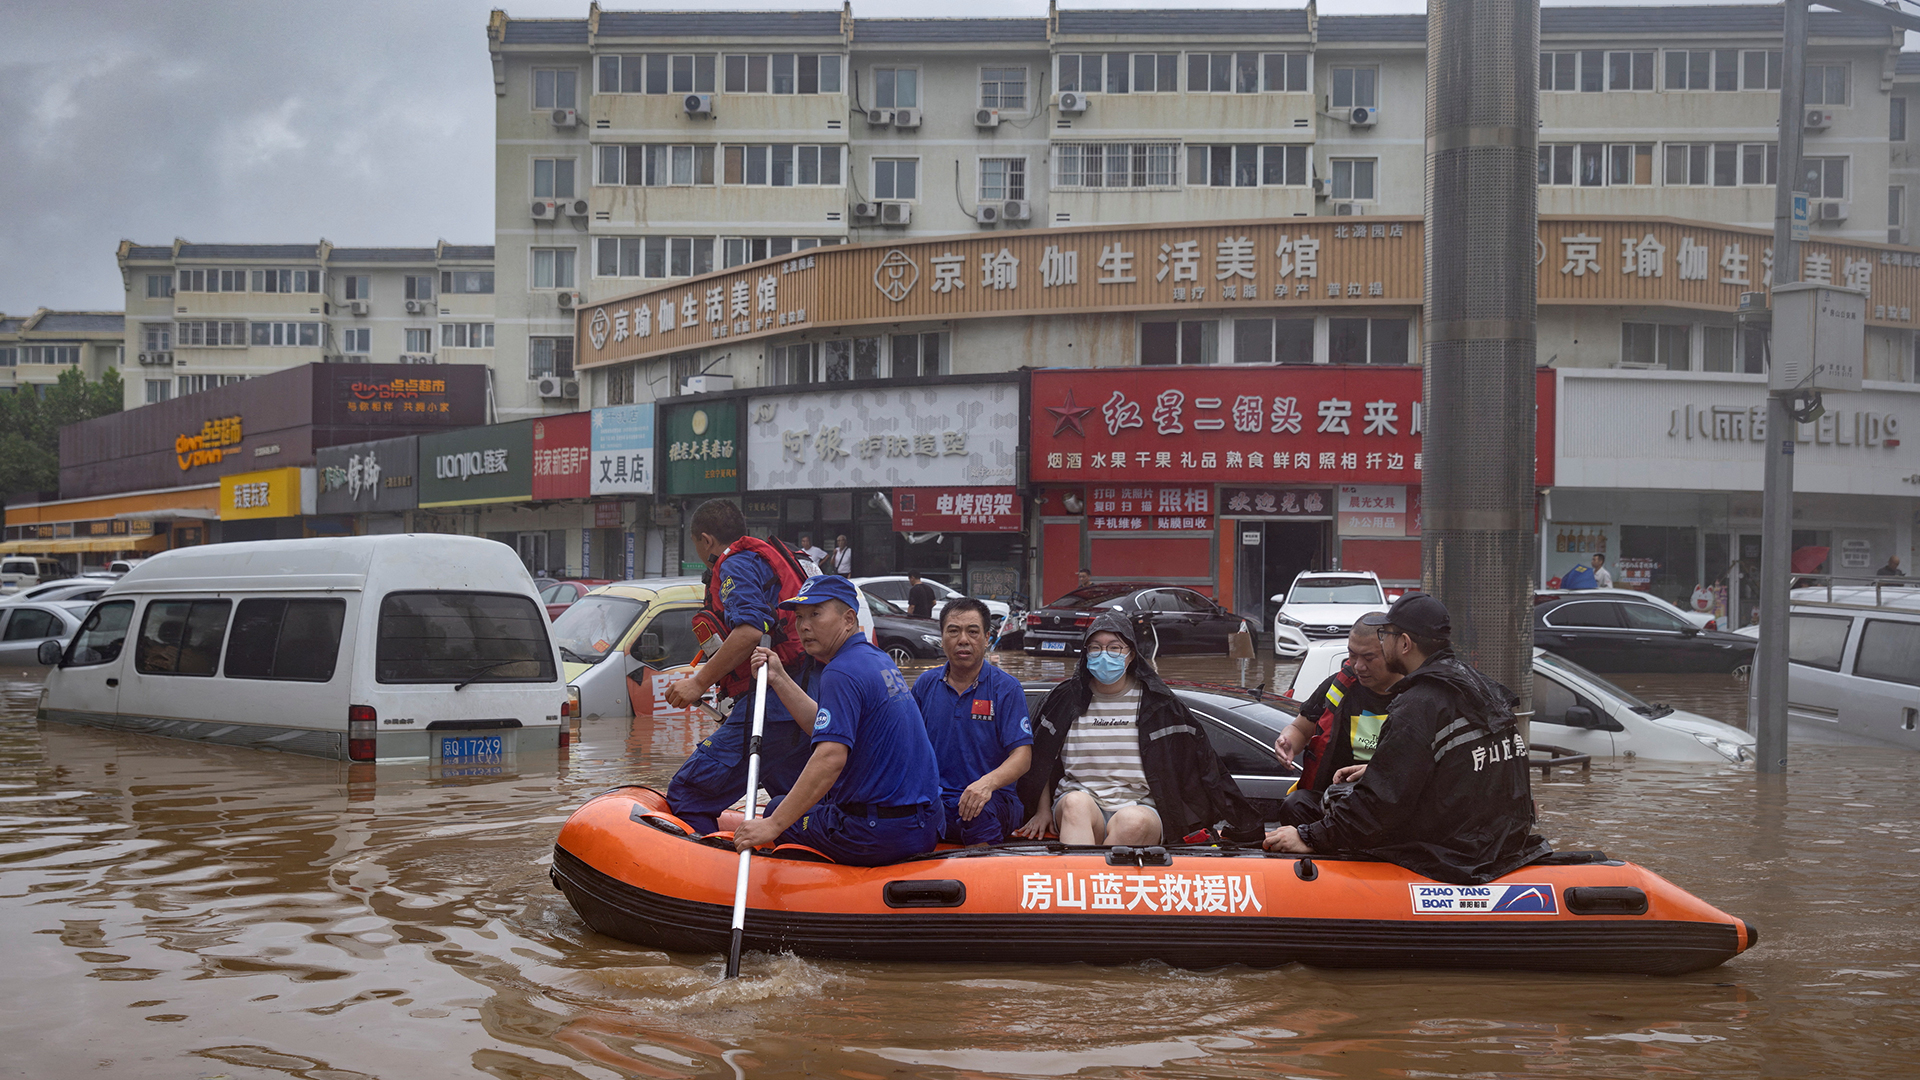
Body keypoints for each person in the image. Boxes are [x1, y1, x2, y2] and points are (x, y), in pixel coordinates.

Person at [1264, 593, 1551, 885]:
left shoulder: (1418, 703)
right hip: (1493, 843)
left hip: (1451, 853)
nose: (1361, 663)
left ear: (1403, 643)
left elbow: (1379, 805)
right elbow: (1462, 767)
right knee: (1309, 801)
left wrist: (1308, 836)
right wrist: (1379, 769)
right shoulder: (1479, 686)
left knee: (1334, 802)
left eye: (1384, 636)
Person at [736, 575, 943, 865]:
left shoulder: (840, 672)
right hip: (924, 824)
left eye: (816, 614)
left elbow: (830, 758)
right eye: (800, 617)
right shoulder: (875, 657)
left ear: (848, 619)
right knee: (797, 806)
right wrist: (779, 678)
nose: (804, 626)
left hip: (877, 835)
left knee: (775, 810)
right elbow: (822, 728)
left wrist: (772, 825)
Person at [1014, 612, 1263, 846]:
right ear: (1086, 653)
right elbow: (1040, 757)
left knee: (1132, 822)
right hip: (1078, 802)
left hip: (1143, 806)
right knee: (1074, 803)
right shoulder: (1064, 699)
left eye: (1114, 648)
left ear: (1131, 655)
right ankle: (1086, 885)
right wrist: (1042, 809)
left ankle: (1100, 884)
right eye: (1096, 648)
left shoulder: (1158, 705)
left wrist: (1243, 824)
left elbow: (1204, 764)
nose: (1104, 655)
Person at [664, 499, 815, 835]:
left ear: (705, 540)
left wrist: (698, 683)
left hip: (771, 703)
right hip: (801, 699)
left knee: (689, 792)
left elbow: (750, 630)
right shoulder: (761, 560)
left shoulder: (735, 565)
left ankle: (700, 881)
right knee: (795, 799)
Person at [912, 597, 1033, 845]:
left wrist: (986, 784)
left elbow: (1023, 757)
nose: (963, 640)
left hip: (993, 800)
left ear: (987, 638)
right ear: (942, 637)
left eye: (972, 631)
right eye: (953, 631)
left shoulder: (1006, 689)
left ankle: (984, 880)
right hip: (938, 800)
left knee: (977, 813)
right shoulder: (925, 685)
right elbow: (907, 747)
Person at [1271, 618, 1396, 826]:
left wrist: (1377, 772)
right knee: (1295, 805)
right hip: (1336, 802)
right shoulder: (1337, 688)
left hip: (1388, 806)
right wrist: (1287, 742)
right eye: (1352, 655)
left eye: (1369, 657)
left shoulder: (1416, 696)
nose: (1358, 666)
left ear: (1393, 653)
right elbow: (1300, 729)